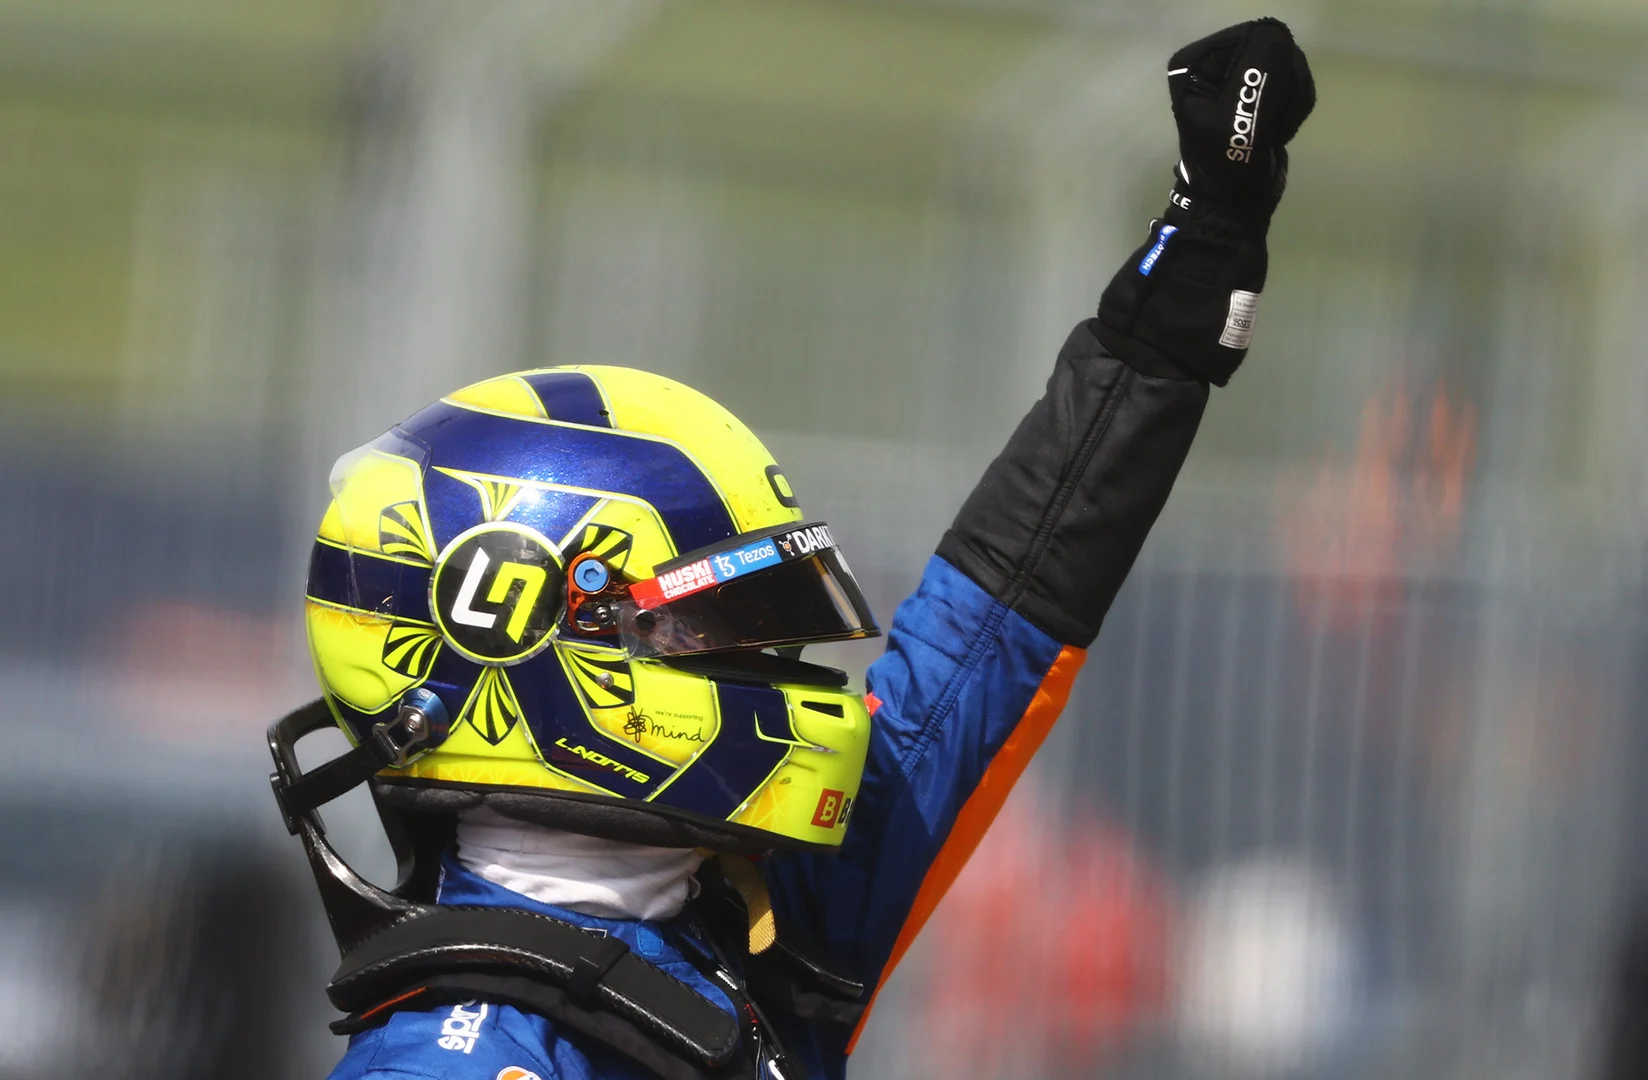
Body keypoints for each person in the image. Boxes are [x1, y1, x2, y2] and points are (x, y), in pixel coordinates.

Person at [267, 19, 1315, 1080]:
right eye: (713, 629)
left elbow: (993, 627)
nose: (774, 666)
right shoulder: (454, 1061)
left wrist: (1190, 276)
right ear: (518, 635)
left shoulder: (749, 936)